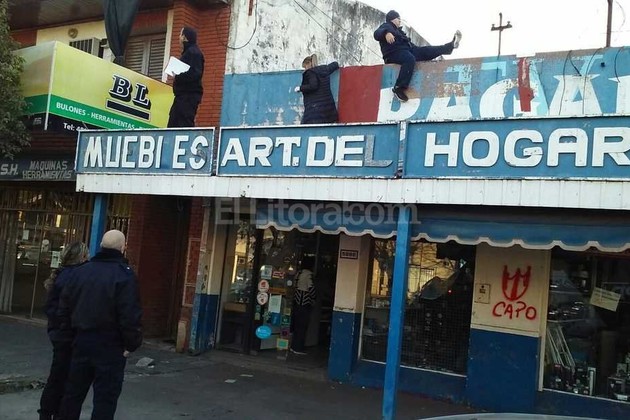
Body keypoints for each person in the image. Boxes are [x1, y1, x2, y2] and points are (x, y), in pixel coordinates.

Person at [57, 230, 142, 420]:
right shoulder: (125, 276)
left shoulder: (80, 272)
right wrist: (131, 344)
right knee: (105, 401)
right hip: (110, 346)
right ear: (123, 247)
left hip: (81, 341)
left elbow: (64, 308)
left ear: (101, 246)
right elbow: (129, 315)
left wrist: (69, 336)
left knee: (73, 395)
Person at [38, 241, 89, 420]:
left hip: (59, 333)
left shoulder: (62, 274)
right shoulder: (75, 277)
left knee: (57, 376)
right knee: (64, 378)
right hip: (67, 334)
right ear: (82, 257)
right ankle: (52, 412)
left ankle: (47, 412)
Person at [374, 10, 462, 102]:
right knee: (409, 59)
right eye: (398, 18)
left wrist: (420, 51)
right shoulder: (387, 26)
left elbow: (409, 45)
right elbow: (376, 33)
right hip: (393, 54)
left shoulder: (399, 32)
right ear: (392, 19)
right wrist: (386, 33)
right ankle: (399, 88)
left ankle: (450, 46)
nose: (400, 21)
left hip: (407, 51)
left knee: (426, 51)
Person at [167, 27, 205, 127]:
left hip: (188, 97)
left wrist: (178, 74)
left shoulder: (193, 53)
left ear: (184, 37)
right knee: (173, 124)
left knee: (184, 125)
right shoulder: (189, 52)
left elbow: (195, 73)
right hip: (182, 97)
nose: (179, 37)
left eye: (180, 35)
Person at [294, 54, 340, 124]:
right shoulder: (324, 69)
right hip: (328, 111)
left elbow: (313, 86)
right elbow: (335, 64)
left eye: (305, 67)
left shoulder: (310, 73)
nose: (305, 69)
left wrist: (300, 88)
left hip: (315, 111)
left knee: (306, 127)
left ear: (308, 64)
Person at [291, 256, 317, 355]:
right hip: (304, 303)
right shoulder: (309, 275)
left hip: (296, 302)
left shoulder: (298, 273)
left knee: (296, 325)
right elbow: (311, 288)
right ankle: (298, 348)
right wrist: (314, 298)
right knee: (302, 326)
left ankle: (293, 346)